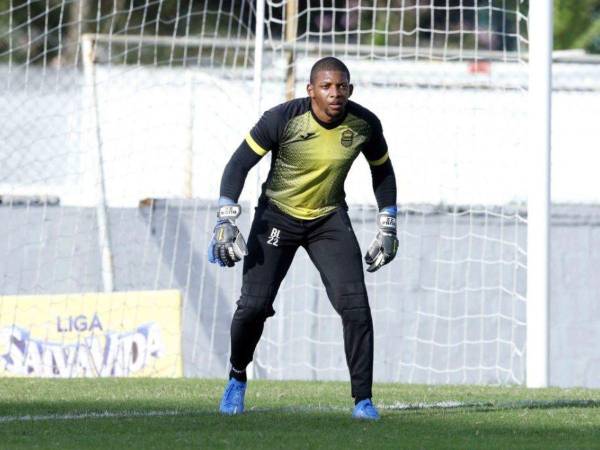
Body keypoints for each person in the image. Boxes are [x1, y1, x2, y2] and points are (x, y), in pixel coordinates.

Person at [208, 56, 397, 420]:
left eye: (341, 86)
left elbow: (383, 172)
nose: (335, 93)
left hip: (328, 219)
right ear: (311, 90)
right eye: (326, 86)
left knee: (355, 306)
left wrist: (387, 223)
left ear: (350, 89)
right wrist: (225, 217)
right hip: (277, 216)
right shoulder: (281, 119)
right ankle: (236, 376)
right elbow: (238, 165)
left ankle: (363, 401)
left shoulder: (364, 124)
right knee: (253, 307)